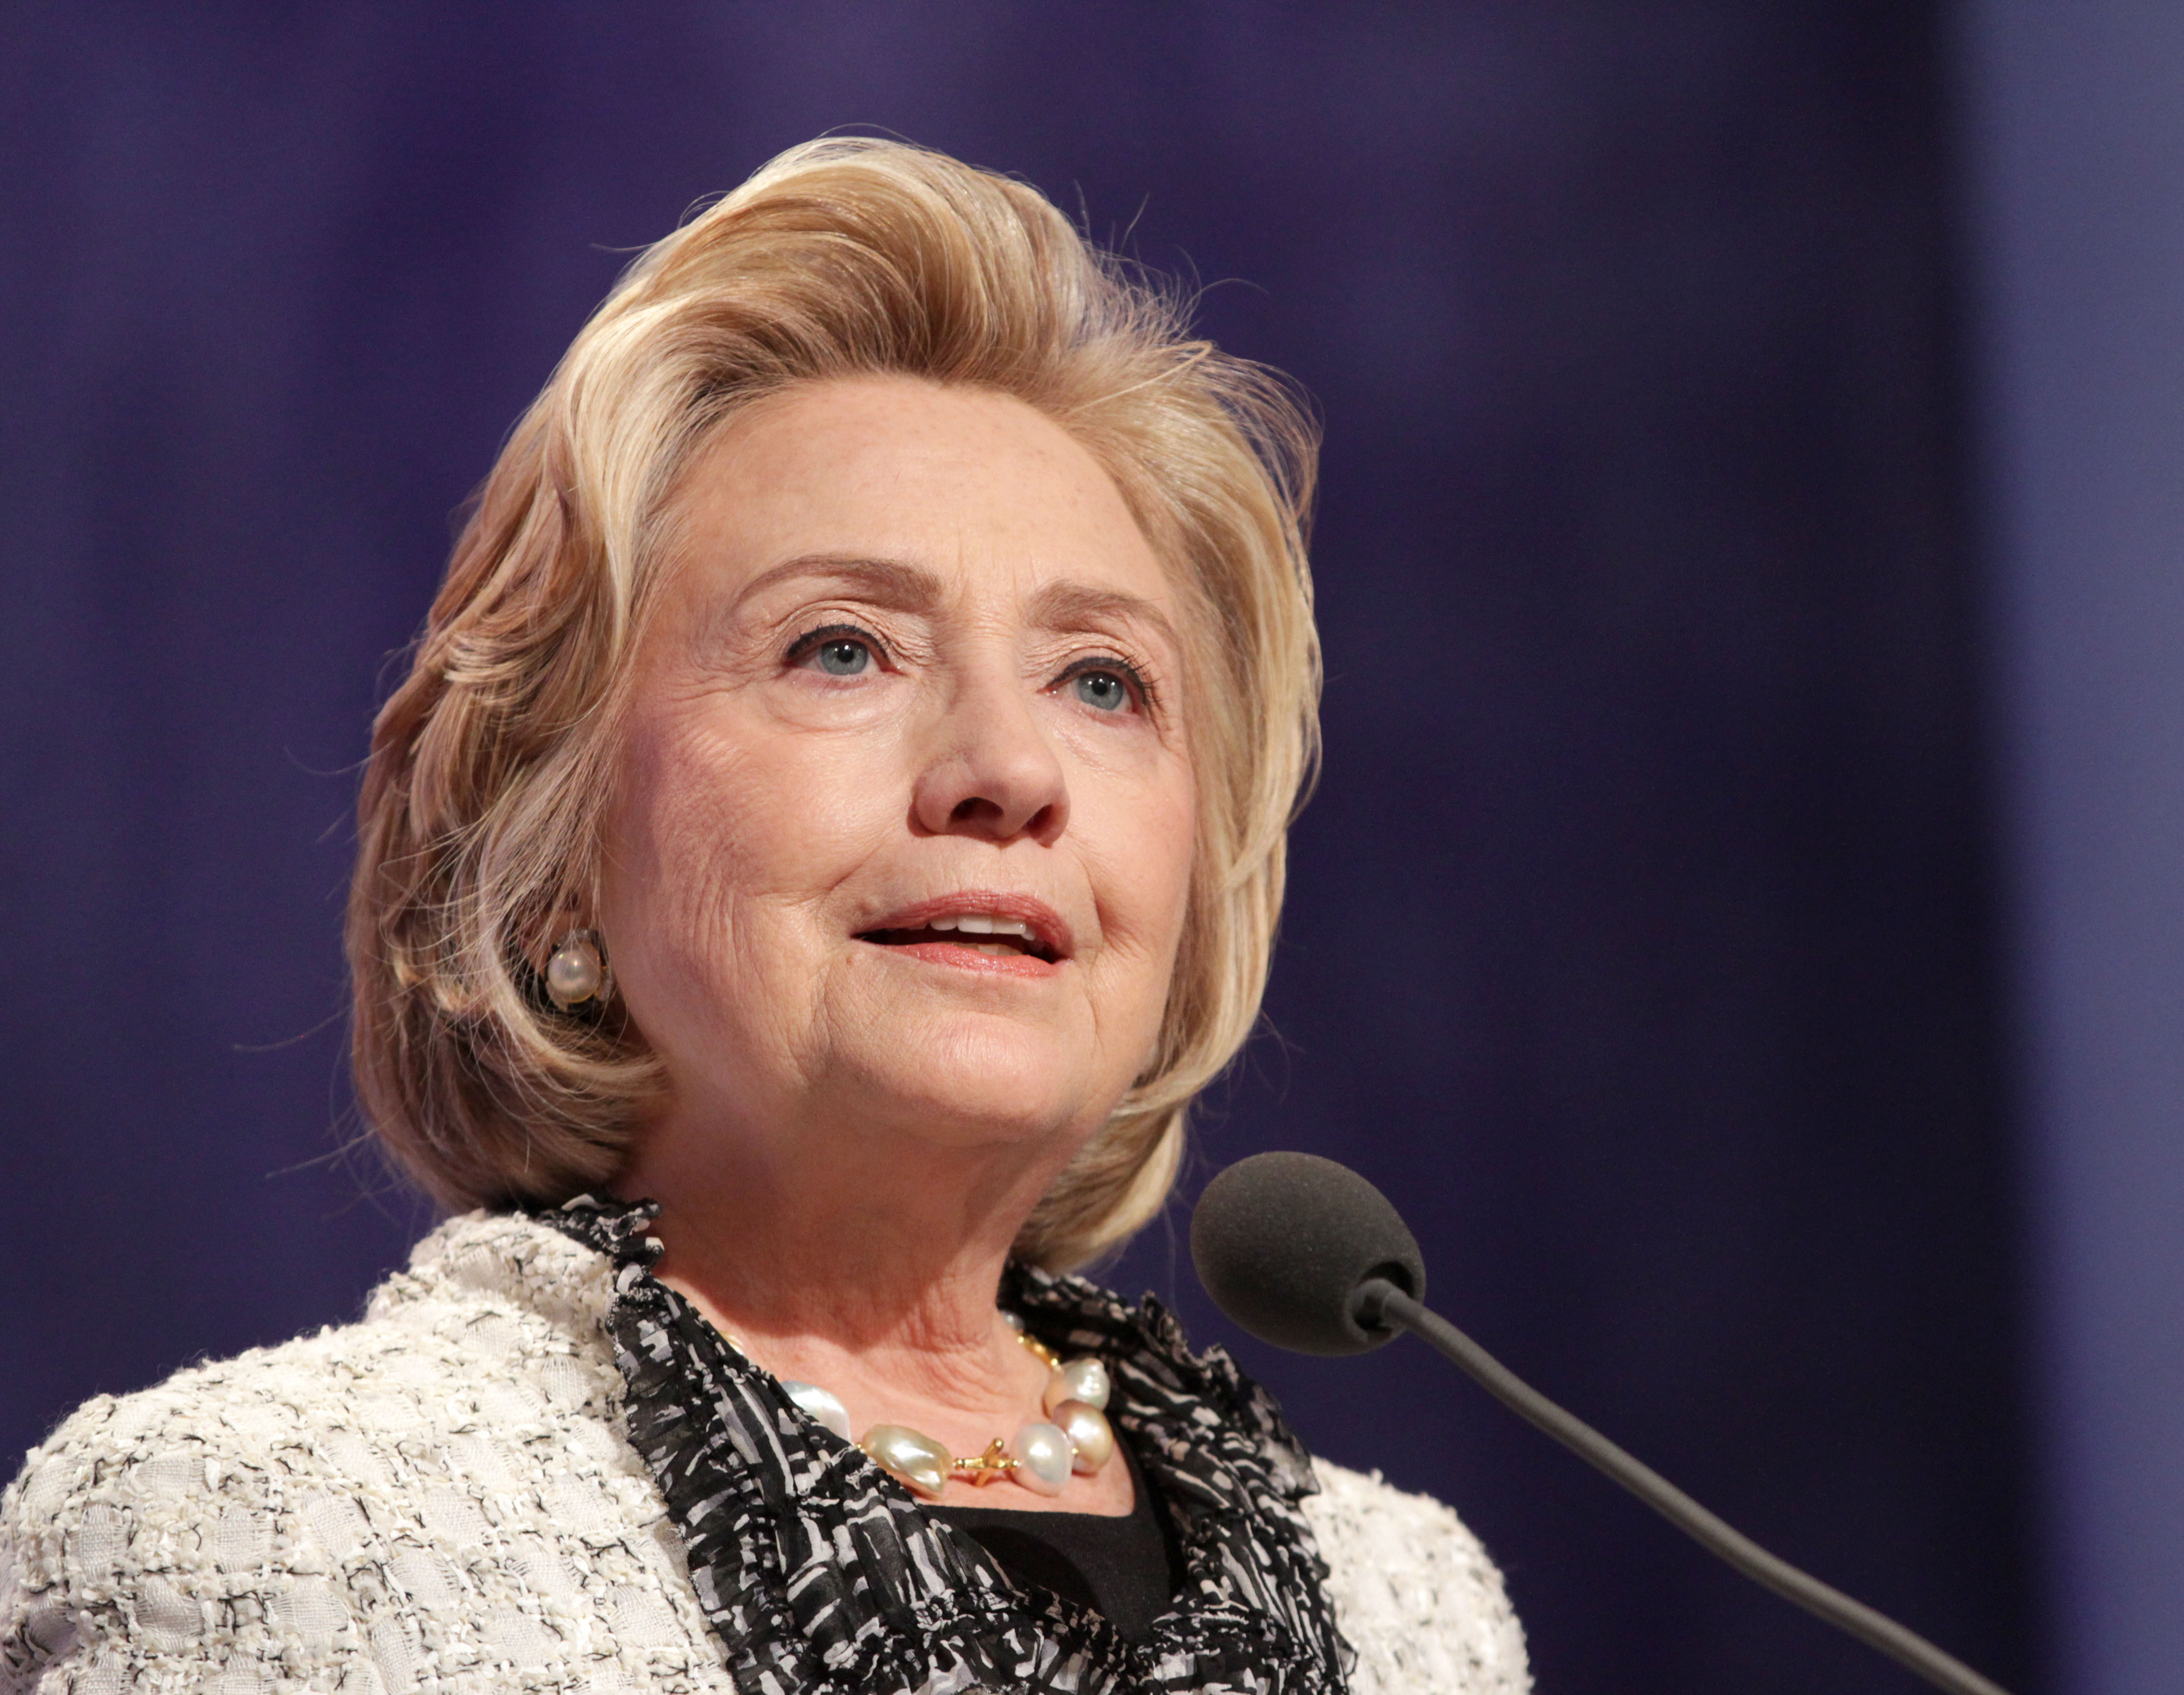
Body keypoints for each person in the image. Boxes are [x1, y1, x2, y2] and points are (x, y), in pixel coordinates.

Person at [0, 140, 1527, 1695]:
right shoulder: (275, 1543)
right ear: (555, 856)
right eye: (843, 649)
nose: (1008, 771)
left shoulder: (1412, 1612)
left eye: (1101, 681)